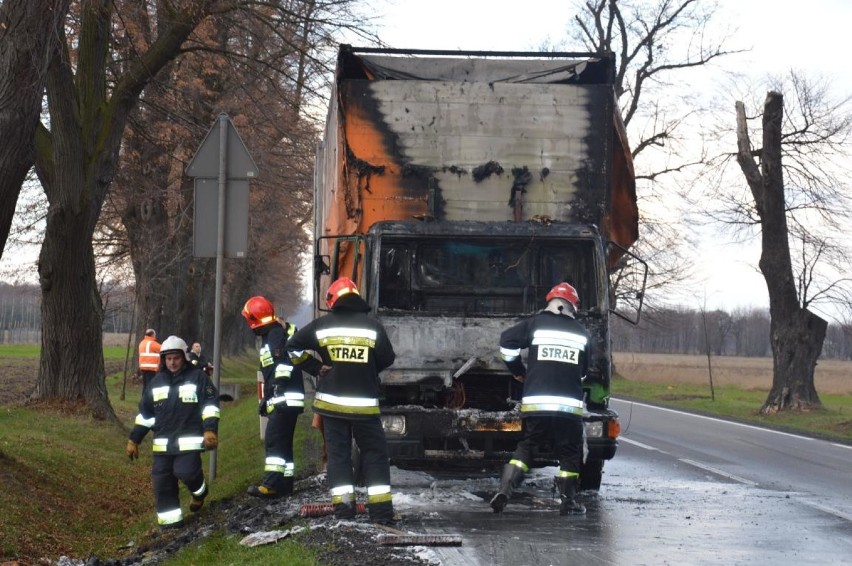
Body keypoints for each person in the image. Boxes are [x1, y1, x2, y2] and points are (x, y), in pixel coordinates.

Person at [286, 277, 397, 524]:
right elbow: (388, 358)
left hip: (332, 407)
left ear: (333, 300)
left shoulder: (321, 326)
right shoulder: (373, 327)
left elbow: (291, 347)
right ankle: (381, 514)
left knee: (338, 457)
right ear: (356, 298)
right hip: (365, 409)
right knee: (375, 456)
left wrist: (315, 367)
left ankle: (344, 513)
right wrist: (366, 368)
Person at [490, 282, 590, 516]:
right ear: (572, 306)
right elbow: (584, 372)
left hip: (537, 405)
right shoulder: (583, 333)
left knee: (526, 448)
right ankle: (568, 501)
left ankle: (505, 490)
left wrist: (517, 369)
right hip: (568, 409)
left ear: (550, 302)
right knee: (569, 453)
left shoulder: (535, 325)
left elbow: (507, 342)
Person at [125, 335, 220, 529]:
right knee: (162, 485)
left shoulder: (198, 378)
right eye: (168, 359)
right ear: (163, 360)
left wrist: (210, 430)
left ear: (184, 357)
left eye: (176, 358)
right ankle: (171, 527)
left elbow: (210, 405)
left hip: (189, 443)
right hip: (162, 446)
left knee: (187, 473)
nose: (172, 362)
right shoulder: (156, 382)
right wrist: (134, 439)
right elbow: (146, 415)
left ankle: (200, 493)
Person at [241, 296, 306, 499]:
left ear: (254, 319)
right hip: (284, 398)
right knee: (284, 442)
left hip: (283, 399)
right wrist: (266, 397)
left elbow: (283, 365)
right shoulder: (274, 333)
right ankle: (285, 484)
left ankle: (270, 485)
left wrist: (276, 389)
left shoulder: (275, 335)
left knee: (274, 441)